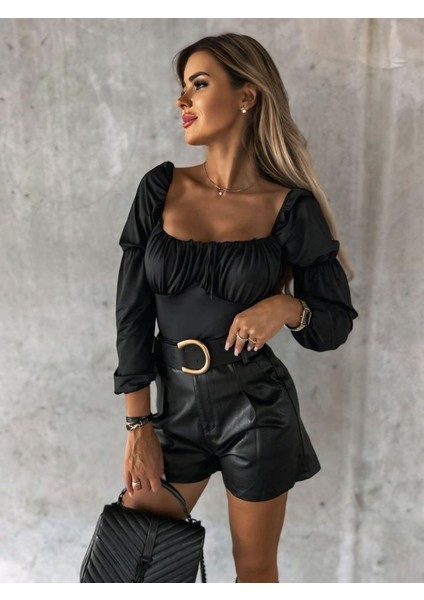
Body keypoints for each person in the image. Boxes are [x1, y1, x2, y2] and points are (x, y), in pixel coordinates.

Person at [113, 33, 358, 583]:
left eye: (199, 84)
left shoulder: (288, 207)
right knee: (129, 564)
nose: (182, 100)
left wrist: (285, 307)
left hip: (256, 411)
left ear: (247, 96)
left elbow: (333, 323)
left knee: (254, 571)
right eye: (183, 87)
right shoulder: (160, 187)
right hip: (173, 411)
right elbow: (131, 315)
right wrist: (138, 424)